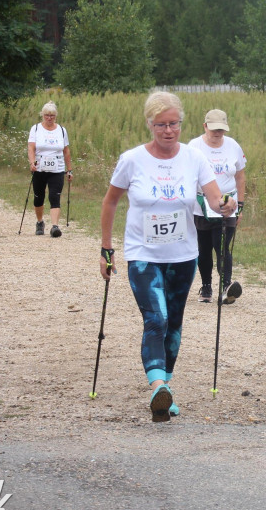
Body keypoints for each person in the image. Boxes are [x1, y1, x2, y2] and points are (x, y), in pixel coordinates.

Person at [100, 91, 235, 423]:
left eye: (173, 123)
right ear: (150, 124)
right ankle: (157, 384)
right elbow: (110, 202)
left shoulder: (194, 158)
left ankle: (165, 392)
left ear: (181, 123)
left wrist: (226, 205)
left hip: (182, 254)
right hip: (142, 254)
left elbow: (215, 198)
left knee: (174, 323)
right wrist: (106, 249)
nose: (168, 131)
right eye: (161, 124)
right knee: (156, 319)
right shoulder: (132, 159)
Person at [188, 108, 246, 305]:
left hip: (228, 205)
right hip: (201, 205)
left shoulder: (233, 147)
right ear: (205, 126)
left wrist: (240, 204)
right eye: (213, 129)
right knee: (203, 250)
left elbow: (240, 175)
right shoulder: (194, 146)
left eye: (221, 129)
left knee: (222, 247)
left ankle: (227, 287)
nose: (217, 133)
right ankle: (206, 286)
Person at [27, 101, 72, 237]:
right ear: (42, 115)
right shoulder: (35, 129)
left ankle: (55, 226)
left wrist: (69, 170)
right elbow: (31, 147)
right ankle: (40, 222)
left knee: (54, 196)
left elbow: (66, 151)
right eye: (47, 115)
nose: (49, 118)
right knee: (38, 197)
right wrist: (31, 162)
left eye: (52, 115)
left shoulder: (62, 130)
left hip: (57, 169)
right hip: (40, 168)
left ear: (55, 116)